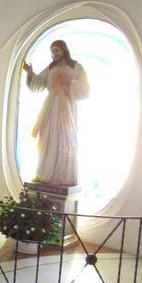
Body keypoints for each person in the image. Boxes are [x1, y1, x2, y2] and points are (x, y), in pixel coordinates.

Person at [24, 39, 90, 187]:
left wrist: (71, 83)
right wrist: (30, 74)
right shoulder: (51, 68)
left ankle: (62, 176)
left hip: (67, 108)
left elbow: (86, 89)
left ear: (64, 50)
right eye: (52, 52)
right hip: (50, 106)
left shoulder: (76, 67)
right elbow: (38, 84)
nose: (54, 54)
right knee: (46, 137)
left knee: (63, 139)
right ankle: (44, 173)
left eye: (56, 50)